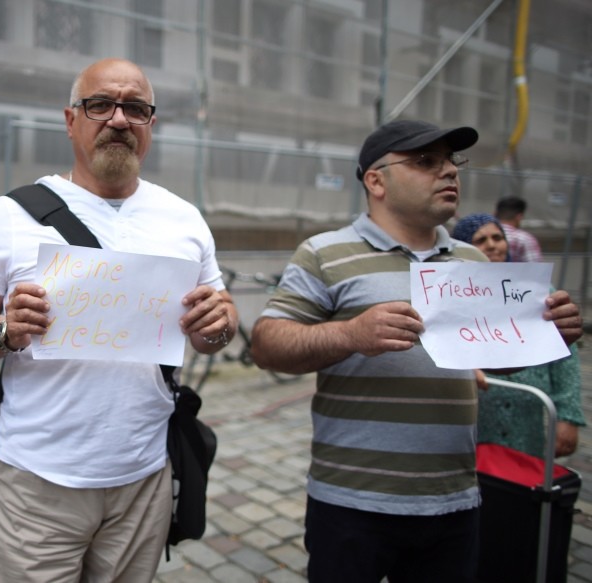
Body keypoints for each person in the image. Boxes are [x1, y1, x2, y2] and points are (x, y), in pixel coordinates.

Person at [0, 58, 237, 582]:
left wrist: (220, 322)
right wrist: (4, 330)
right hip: (40, 476)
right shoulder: (13, 215)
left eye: (136, 108)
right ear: (70, 119)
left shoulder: (184, 219)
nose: (119, 119)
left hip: (144, 472)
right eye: (100, 104)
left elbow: (216, 327)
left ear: (151, 125)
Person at [249, 119, 583, 582]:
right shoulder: (324, 253)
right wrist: (350, 335)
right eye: (427, 161)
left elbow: (495, 357)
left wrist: (550, 337)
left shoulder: (472, 260)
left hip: (454, 499)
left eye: (452, 161)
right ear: (376, 180)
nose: (449, 172)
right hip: (351, 500)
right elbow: (267, 344)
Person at [451, 213, 586, 458]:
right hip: (475, 422)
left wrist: (568, 415)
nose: (492, 245)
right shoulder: (451, 297)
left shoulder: (535, 291)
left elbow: (565, 357)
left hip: (526, 421)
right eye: (480, 240)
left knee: (522, 484)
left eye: (497, 237)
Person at [495, 195, 544, 262]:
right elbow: (535, 269)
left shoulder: (481, 236)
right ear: (519, 216)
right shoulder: (525, 239)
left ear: (495, 213)